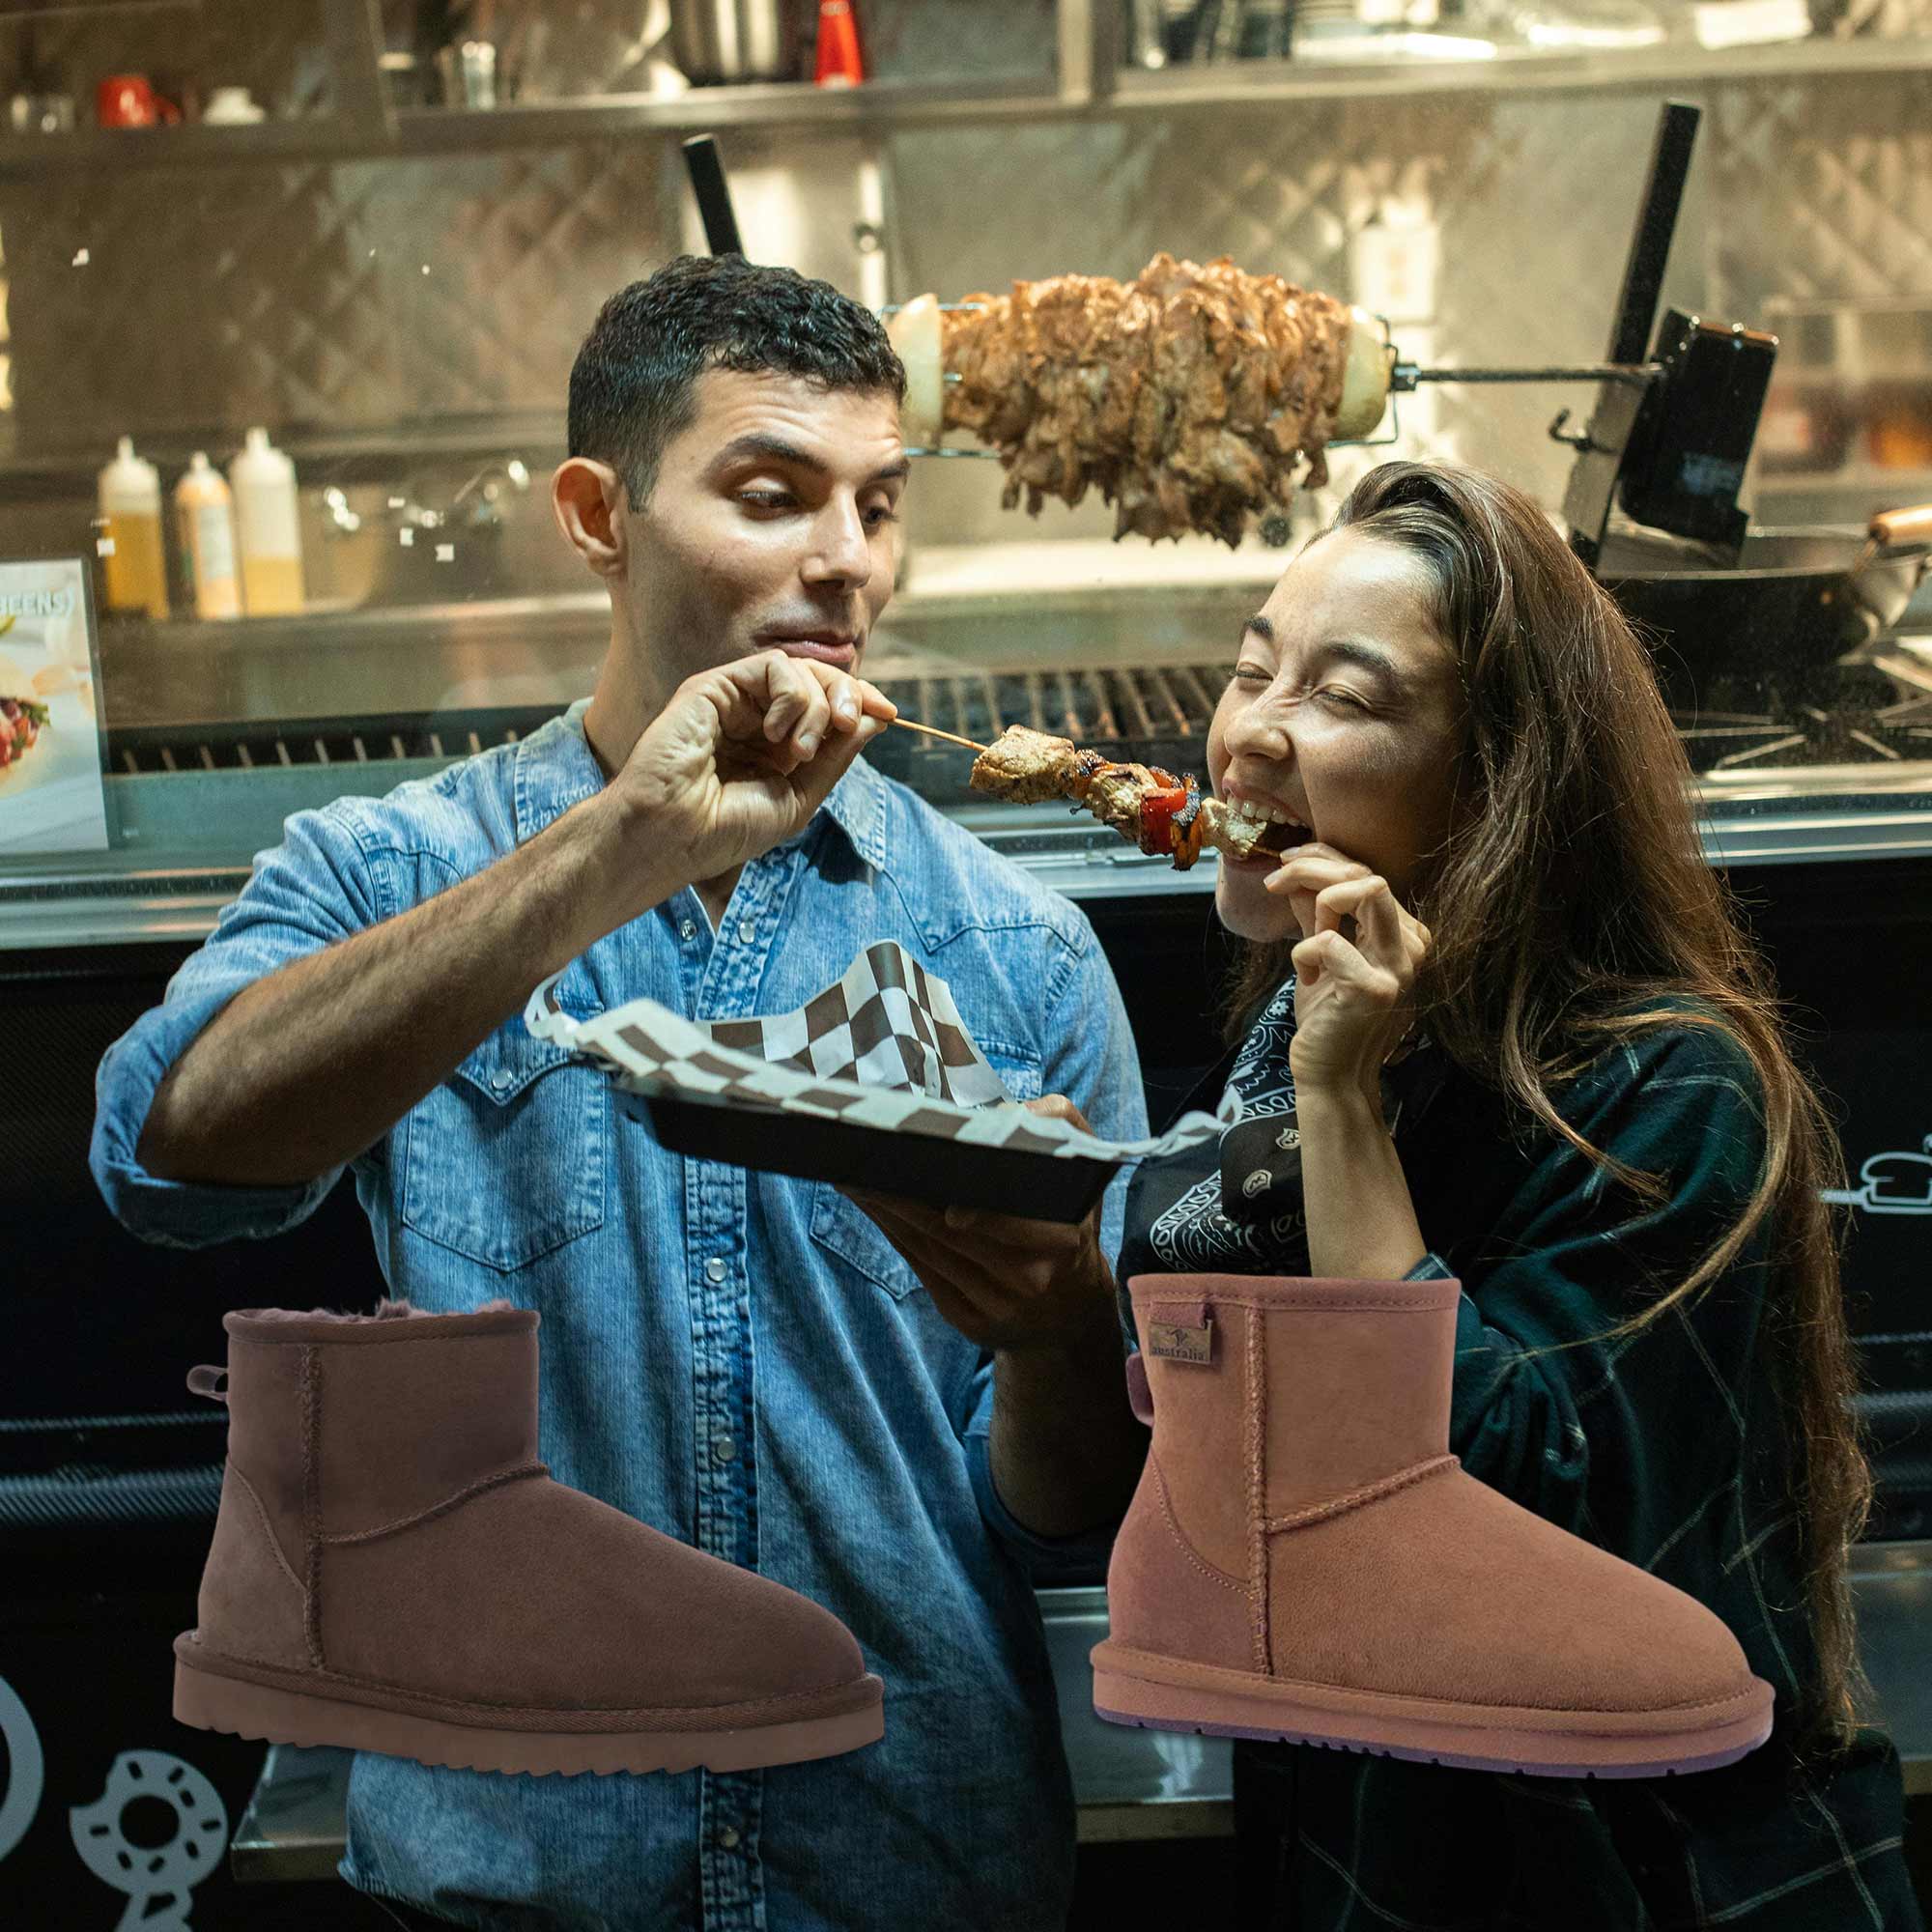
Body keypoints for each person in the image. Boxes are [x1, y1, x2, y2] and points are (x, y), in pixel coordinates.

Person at [88, 254, 1151, 1932]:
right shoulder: (388, 869)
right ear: (599, 516)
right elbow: (166, 1155)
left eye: (880, 504)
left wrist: (1062, 1329)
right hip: (518, 1868)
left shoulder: (1018, 946)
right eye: (772, 494)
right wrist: (617, 850)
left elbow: (1063, 1522)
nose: (847, 560)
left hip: (904, 1863)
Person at [855, 459, 1924, 1928]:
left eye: (1345, 697)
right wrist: (1050, 1323)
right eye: (1252, 672)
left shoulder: (1667, 1082)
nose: (1249, 735)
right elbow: (1088, 1513)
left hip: (1627, 1875)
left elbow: (1494, 1513)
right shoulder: (1283, 1057)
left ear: (1499, 783)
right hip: (1366, 1854)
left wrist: (1343, 1107)